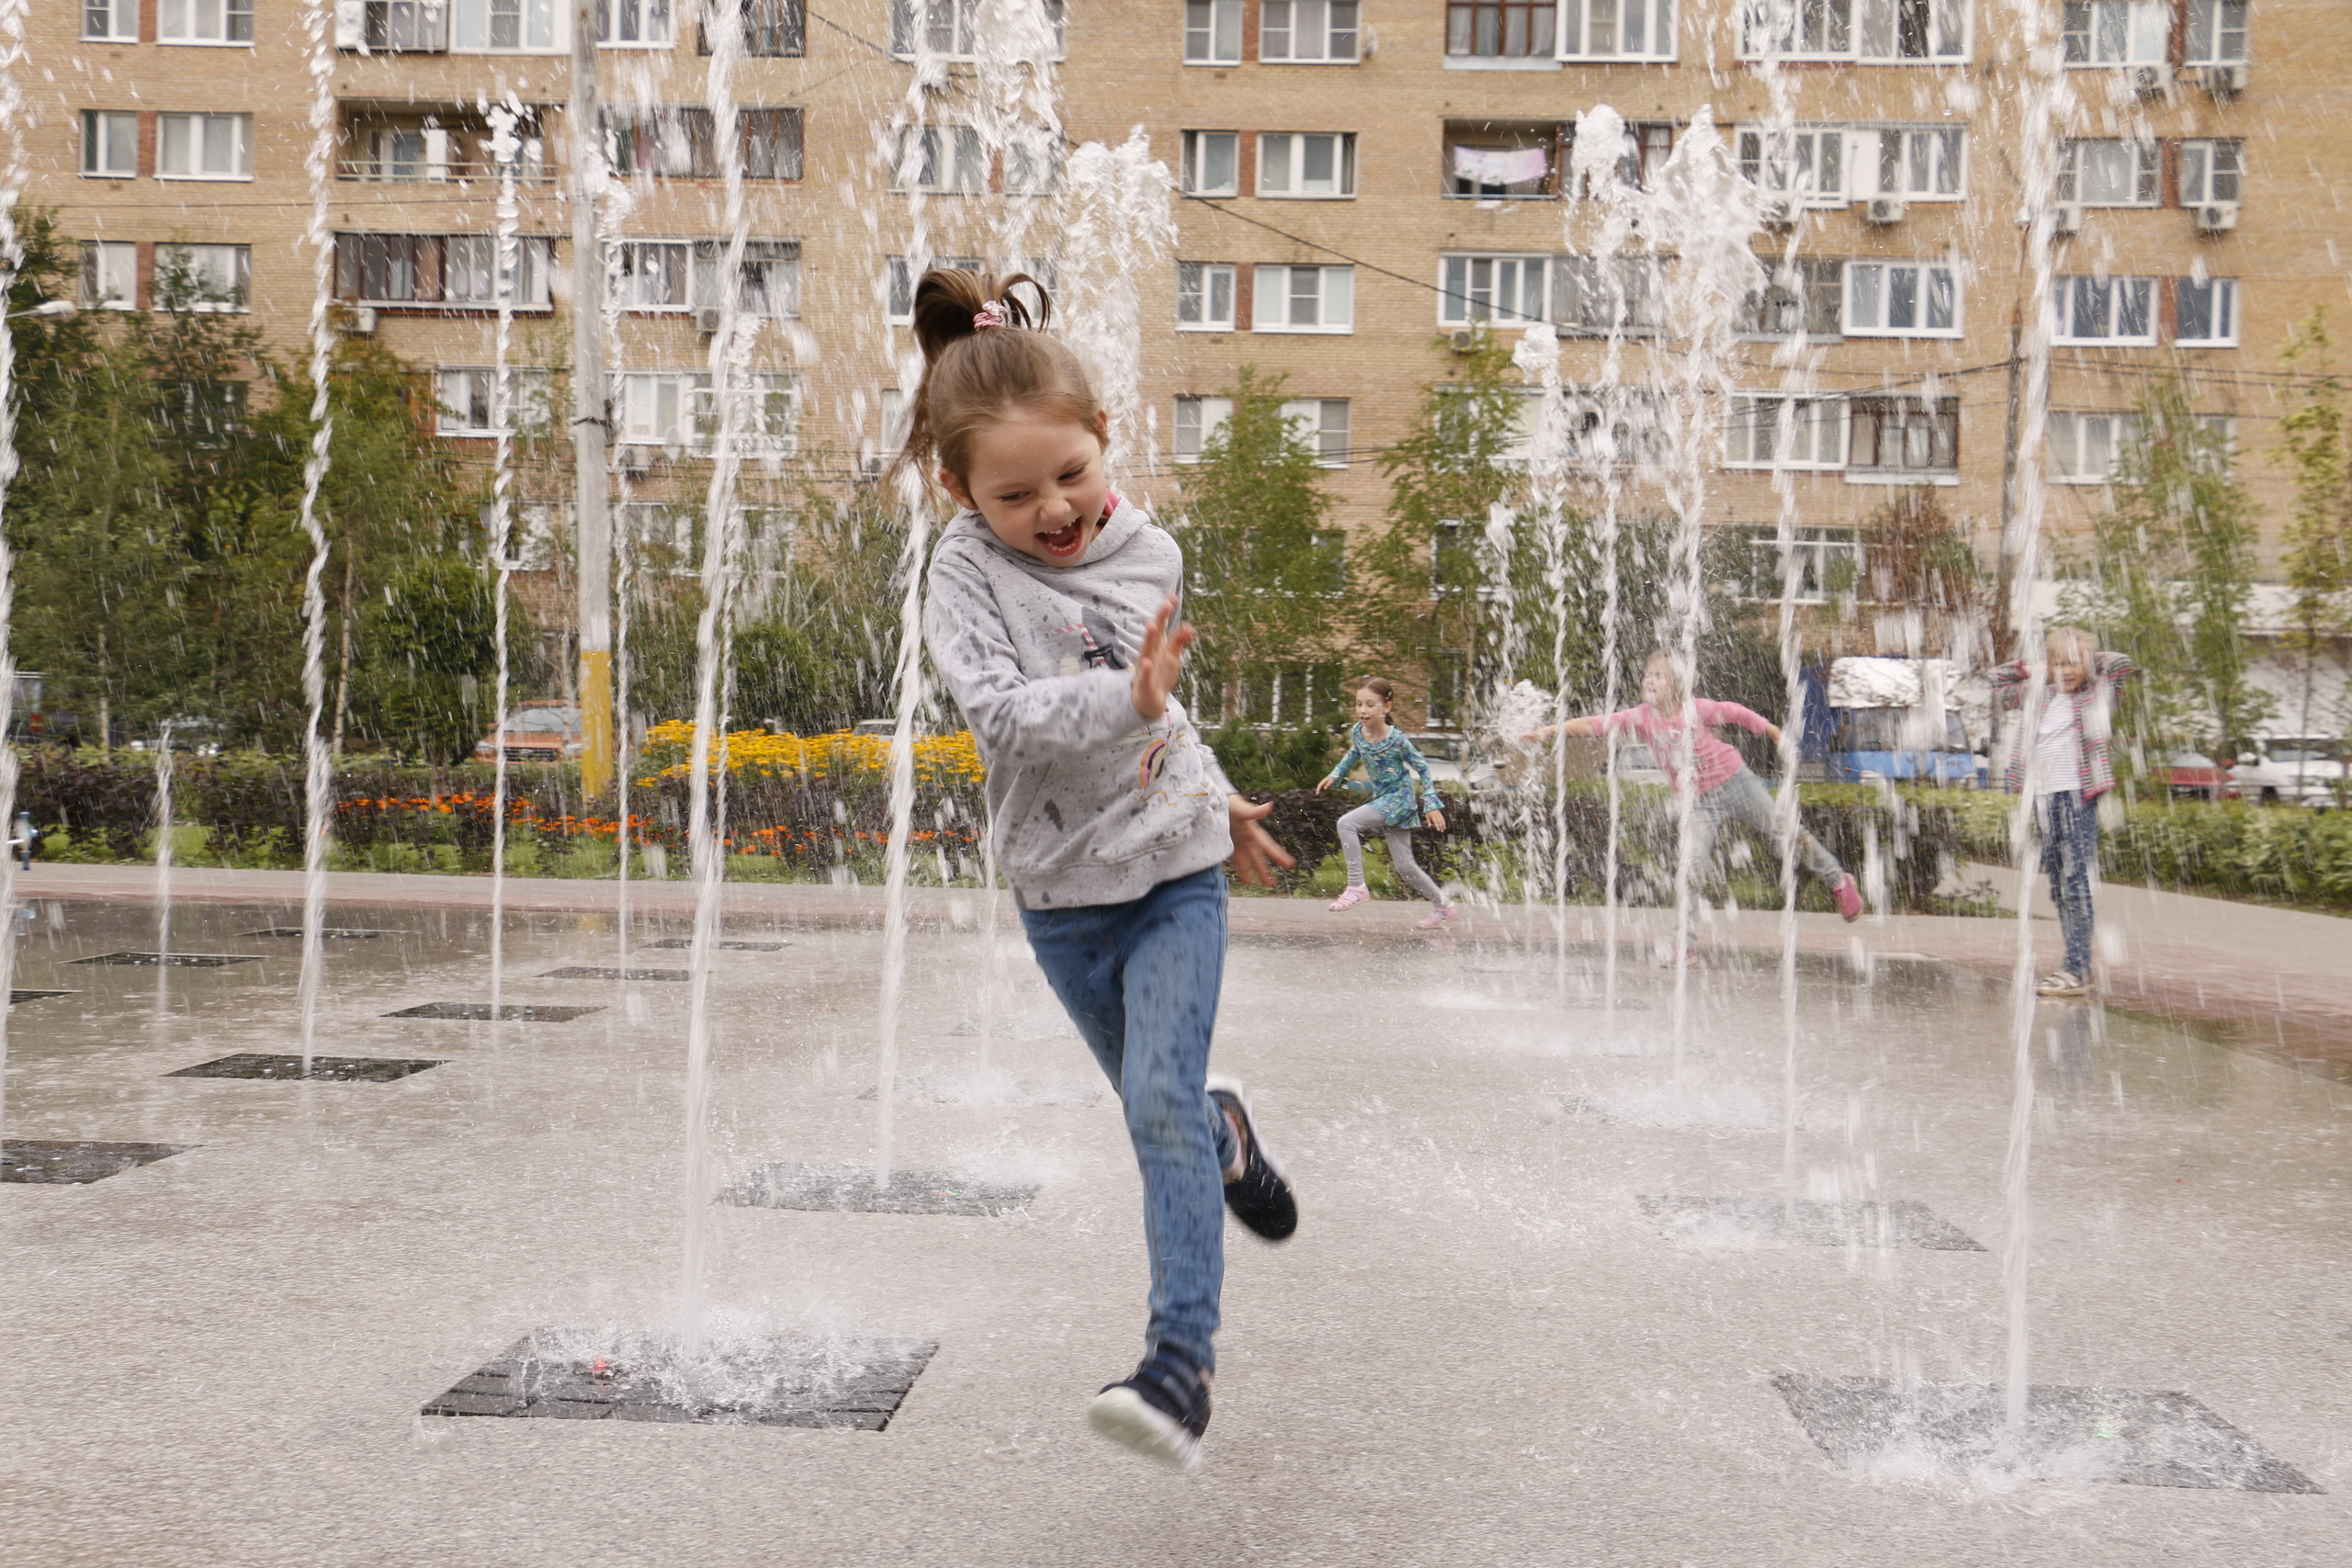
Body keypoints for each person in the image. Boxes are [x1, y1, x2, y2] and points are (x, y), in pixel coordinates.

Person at [909, 268, 1299, 1472]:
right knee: (1169, 1104)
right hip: (1062, 898)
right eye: (1016, 492)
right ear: (958, 488)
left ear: (1104, 441)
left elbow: (1158, 707)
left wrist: (1215, 788)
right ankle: (1227, 1130)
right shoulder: (964, 576)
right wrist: (1126, 697)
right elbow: (1016, 718)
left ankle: (1180, 1364)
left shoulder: (1152, 551)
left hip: (1175, 869)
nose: (1055, 510)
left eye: (1071, 474)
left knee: (1151, 1108)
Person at [1521, 649, 1865, 949]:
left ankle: (1838, 880)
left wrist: (1774, 732)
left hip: (1736, 782)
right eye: (1647, 674)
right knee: (1691, 870)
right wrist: (1552, 731)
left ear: (1678, 684)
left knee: (1787, 833)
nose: (1649, 680)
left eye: (1659, 675)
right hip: (1698, 802)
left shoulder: (1696, 709)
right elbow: (1596, 724)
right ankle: (1683, 942)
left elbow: (1737, 713)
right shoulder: (1640, 717)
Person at [1994, 626, 2136, 999]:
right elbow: (1995, 680)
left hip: (2077, 796)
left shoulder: (2097, 694)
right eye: (2061, 663)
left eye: (2076, 663)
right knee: (2059, 885)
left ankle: (2076, 969)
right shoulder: (2038, 694)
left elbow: (2122, 664)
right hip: (2042, 798)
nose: (2067, 670)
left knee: (2075, 882)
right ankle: (2075, 963)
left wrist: (2084, 662)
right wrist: (2038, 669)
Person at [1314, 678, 1456, 929]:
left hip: (1399, 799)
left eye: (1370, 705)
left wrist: (1431, 803)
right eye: (1359, 704)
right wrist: (1336, 774)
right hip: (1385, 799)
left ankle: (1357, 886)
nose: (1362, 710)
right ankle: (1444, 906)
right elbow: (1354, 753)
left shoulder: (1397, 740)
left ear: (1386, 708)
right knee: (1405, 867)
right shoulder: (1358, 732)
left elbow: (1422, 767)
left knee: (1346, 823)